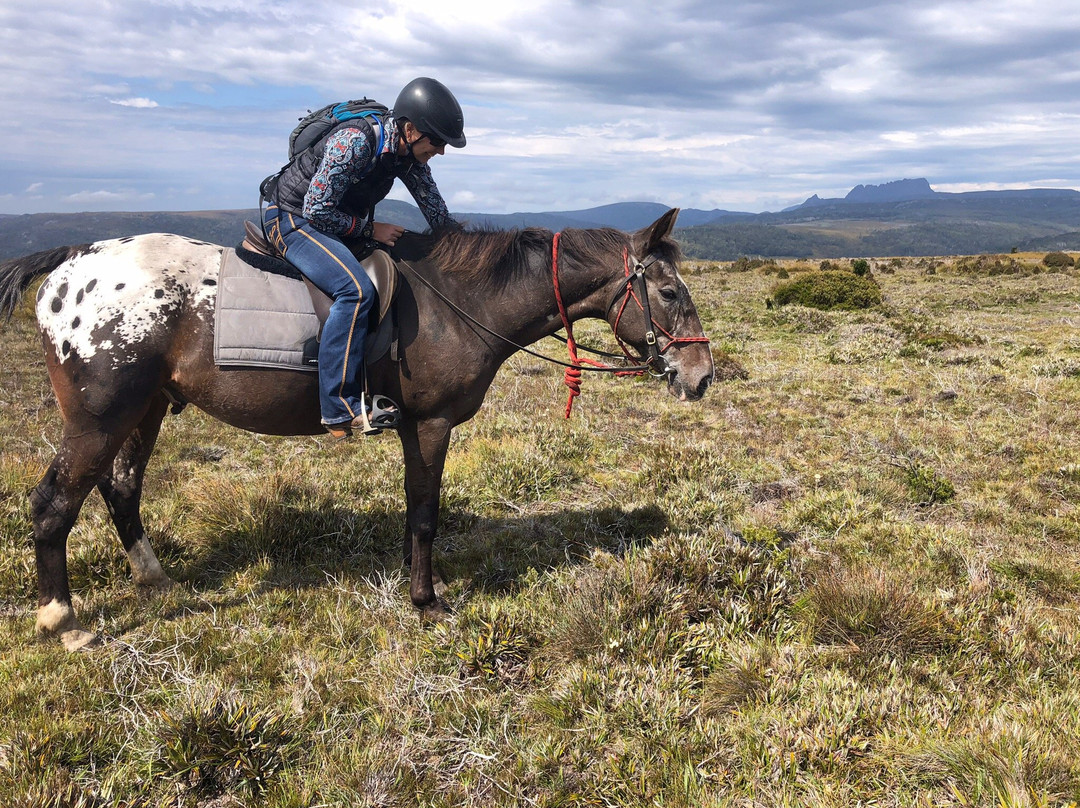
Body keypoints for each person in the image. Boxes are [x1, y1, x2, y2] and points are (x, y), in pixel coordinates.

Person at [261, 77, 466, 439]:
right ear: (411, 129)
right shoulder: (355, 142)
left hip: (332, 222)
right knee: (354, 291)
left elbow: (437, 213)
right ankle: (339, 407)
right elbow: (317, 209)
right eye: (437, 141)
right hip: (292, 218)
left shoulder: (408, 157)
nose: (441, 150)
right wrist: (370, 231)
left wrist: (471, 251)